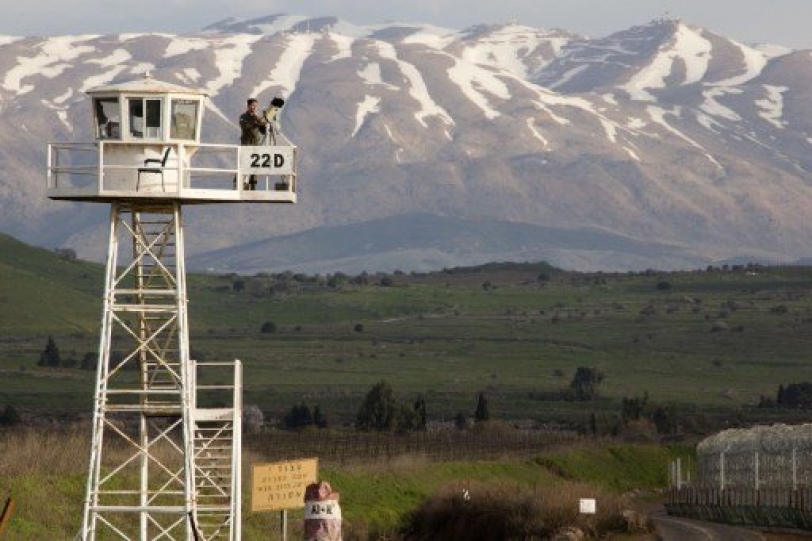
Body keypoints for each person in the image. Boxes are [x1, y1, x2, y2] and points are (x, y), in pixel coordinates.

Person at [238, 98, 267, 190]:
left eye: (255, 106)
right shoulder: (243, 116)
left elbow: (263, 132)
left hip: (255, 144)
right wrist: (254, 121)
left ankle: (253, 183)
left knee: (255, 165)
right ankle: (241, 182)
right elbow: (245, 127)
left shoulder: (257, 118)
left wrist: (263, 124)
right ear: (248, 106)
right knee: (244, 164)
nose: (254, 108)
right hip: (246, 144)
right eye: (253, 105)